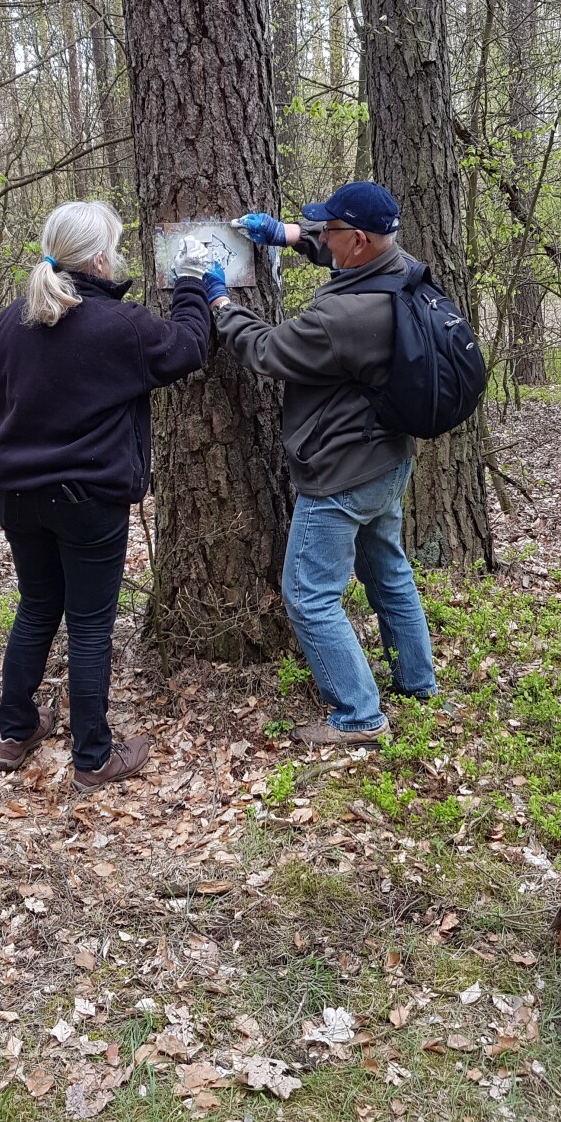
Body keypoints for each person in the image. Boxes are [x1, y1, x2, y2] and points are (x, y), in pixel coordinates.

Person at [0, 201, 210, 792]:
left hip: (18, 495)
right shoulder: (118, 325)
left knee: (36, 607)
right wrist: (190, 284)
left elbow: (0, 397)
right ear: (102, 257)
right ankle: (92, 759)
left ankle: (15, 731)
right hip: (85, 499)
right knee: (87, 626)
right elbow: (186, 347)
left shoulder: (9, 324)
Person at [204, 181, 437, 747]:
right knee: (386, 569)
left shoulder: (345, 320)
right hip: (386, 460)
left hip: (341, 471)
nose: (322, 238)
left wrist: (220, 304)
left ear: (357, 238)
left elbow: (267, 351)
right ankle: (417, 681)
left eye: (329, 230)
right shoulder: (402, 268)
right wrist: (284, 235)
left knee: (308, 595)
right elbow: (346, 256)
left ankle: (358, 715)